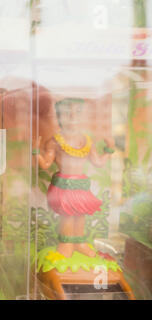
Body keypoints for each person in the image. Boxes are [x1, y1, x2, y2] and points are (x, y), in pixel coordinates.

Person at [34, 98, 115, 258]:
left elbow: (98, 162)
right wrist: (36, 152)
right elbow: (46, 164)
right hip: (64, 186)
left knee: (81, 215)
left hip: (81, 185)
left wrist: (109, 149)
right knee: (68, 215)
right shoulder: (55, 141)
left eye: (77, 112)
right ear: (58, 117)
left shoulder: (86, 141)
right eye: (66, 113)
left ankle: (80, 243)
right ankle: (66, 243)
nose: (72, 117)